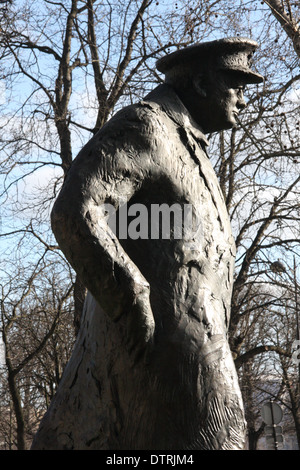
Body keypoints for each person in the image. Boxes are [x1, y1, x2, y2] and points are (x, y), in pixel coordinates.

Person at [31, 37, 263, 450]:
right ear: (203, 84)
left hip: (188, 362)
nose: (244, 100)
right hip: (163, 363)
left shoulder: (191, 146)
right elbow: (76, 210)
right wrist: (132, 302)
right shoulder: (148, 126)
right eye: (236, 86)